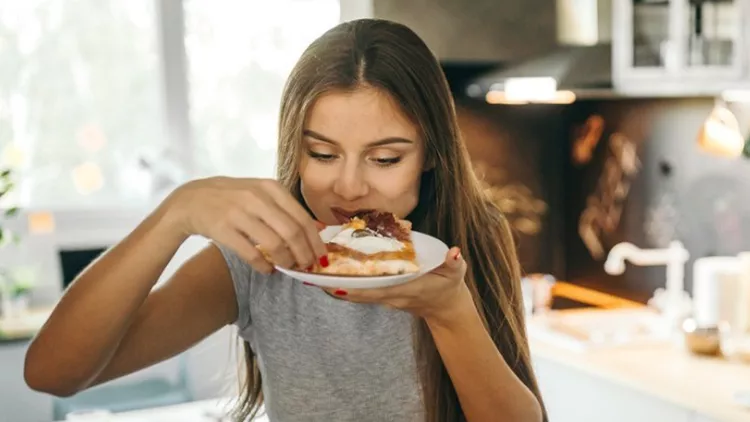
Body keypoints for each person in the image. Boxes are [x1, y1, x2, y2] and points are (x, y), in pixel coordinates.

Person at [24, 18, 546, 422]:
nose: (348, 187)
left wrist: (452, 312)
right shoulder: (259, 259)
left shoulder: (471, 236)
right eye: (322, 154)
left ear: (432, 153)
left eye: (385, 159)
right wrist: (174, 214)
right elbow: (52, 372)